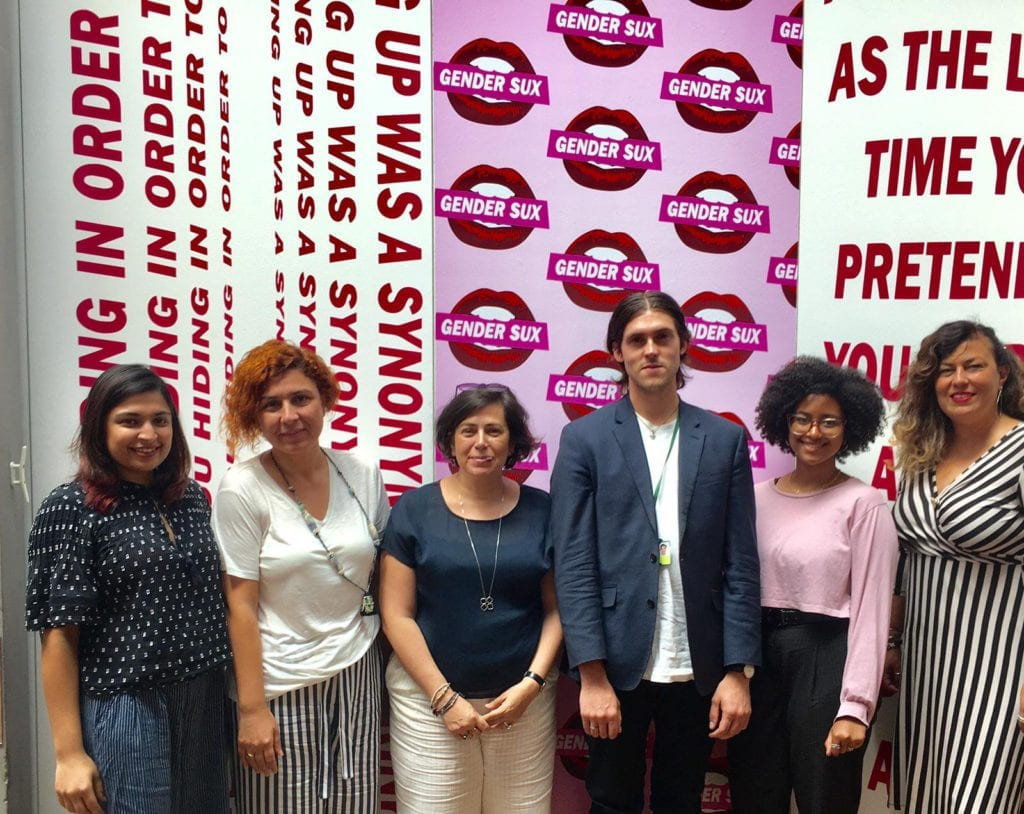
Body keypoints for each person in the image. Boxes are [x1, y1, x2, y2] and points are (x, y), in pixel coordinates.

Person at [550, 290, 761, 814]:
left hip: (698, 662)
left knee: (681, 799)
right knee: (611, 800)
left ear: (683, 347)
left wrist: (739, 670)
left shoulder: (725, 438)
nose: (651, 350)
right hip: (617, 660)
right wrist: (591, 675)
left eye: (662, 337)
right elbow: (572, 563)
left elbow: (740, 563)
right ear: (616, 353)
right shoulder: (584, 439)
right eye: (636, 340)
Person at [26, 364, 231, 814]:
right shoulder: (70, 507)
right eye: (130, 420)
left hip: (204, 695)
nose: (148, 434)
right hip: (127, 703)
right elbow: (58, 636)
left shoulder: (191, 497)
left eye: (160, 420)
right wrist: (69, 754)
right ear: (99, 428)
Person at [213, 340, 390, 813]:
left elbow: (381, 580)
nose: (289, 415)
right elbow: (240, 606)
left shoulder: (363, 475)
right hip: (278, 682)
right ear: (255, 415)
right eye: (271, 405)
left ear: (325, 400)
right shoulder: (241, 487)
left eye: (300, 398)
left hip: (355, 674)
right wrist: (251, 709)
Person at [379, 385, 562, 813]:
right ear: (450, 441)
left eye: (494, 431)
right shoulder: (414, 508)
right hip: (427, 706)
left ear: (513, 443)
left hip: (523, 705)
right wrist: (443, 698)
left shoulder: (544, 510)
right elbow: (396, 614)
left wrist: (531, 685)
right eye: (468, 430)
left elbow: (558, 610)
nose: (481, 442)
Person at [727, 357, 898, 814]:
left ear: (849, 428)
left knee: (825, 797)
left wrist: (855, 707)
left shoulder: (864, 504)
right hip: (755, 660)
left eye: (829, 421)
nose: (813, 432)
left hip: (826, 656)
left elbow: (872, 611)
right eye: (802, 418)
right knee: (753, 794)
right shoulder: (754, 497)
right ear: (785, 421)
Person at [888, 320, 1024, 813]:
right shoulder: (922, 453)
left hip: (1003, 673)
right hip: (927, 671)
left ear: (1003, 374)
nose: (959, 380)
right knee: (929, 799)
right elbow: (907, 560)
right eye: (946, 370)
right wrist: (890, 645)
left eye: (974, 366)